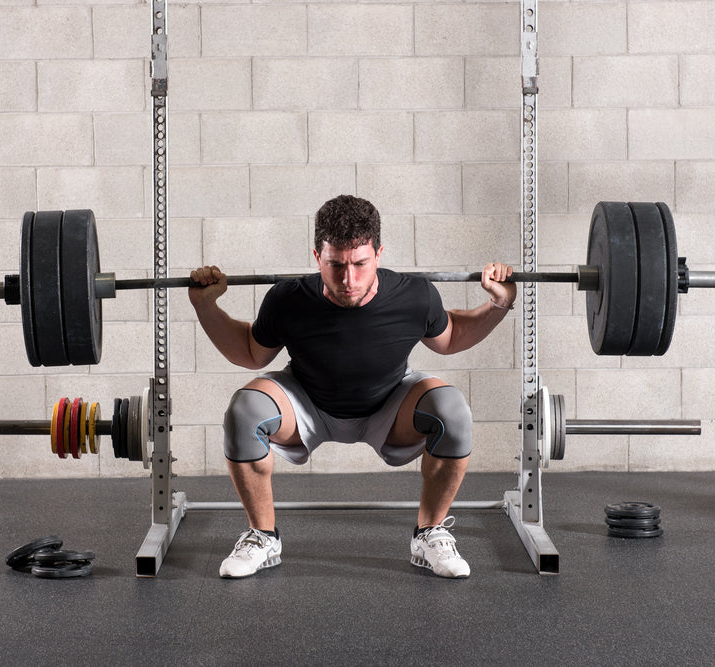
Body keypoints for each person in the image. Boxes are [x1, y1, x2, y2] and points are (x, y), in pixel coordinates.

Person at [189, 194, 516, 579]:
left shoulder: (414, 295)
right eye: (336, 265)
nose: (348, 279)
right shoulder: (288, 299)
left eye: (360, 264)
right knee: (245, 410)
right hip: (307, 405)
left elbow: (451, 337)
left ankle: (429, 534)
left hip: (389, 407)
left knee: (452, 409)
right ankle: (263, 536)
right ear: (317, 257)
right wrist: (206, 307)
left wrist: (499, 304)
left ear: (379, 254)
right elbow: (250, 352)